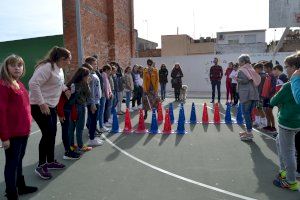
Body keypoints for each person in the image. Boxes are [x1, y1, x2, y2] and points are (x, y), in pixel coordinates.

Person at [29, 46, 71, 180]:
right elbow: (33, 83)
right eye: (68, 59)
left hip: (51, 106)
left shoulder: (59, 69)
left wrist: (65, 89)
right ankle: (41, 166)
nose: (69, 62)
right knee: (47, 134)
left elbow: (58, 82)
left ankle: (51, 161)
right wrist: (41, 103)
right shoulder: (47, 67)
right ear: (60, 59)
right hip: (39, 106)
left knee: (52, 134)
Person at [0, 55, 38, 200]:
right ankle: (11, 193)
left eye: (20, 65)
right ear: (7, 67)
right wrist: (4, 137)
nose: (17, 68)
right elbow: (1, 112)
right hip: (12, 134)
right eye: (13, 65)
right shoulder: (3, 85)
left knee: (19, 160)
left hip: (23, 131)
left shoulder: (19, 84)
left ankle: (20, 186)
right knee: (12, 164)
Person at [270, 53, 300, 191]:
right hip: (296, 122)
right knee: (279, 142)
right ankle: (285, 172)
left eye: (287, 67)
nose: (285, 69)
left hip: (287, 123)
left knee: (288, 152)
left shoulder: (289, 85)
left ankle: (291, 180)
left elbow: (273, 101)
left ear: (294, 67)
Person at [67, 65, 92, 152]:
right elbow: (89, 95)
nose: (88, 77)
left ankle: (71, 145)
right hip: (80, 107)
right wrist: (87, 84)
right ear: (84, 76)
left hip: (71, 108)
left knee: (71, 128)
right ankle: (80, 146)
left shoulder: (71, 83)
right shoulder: (83, 83)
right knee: (80, 128)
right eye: (88, 76)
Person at [236, 54, 261, 141]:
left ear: (243, 62)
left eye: (239, 62)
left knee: (246, 113)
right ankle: (248, 131)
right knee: (248, 113)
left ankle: (249, 133)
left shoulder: (242, 70)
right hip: (253, 94)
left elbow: (245, 81)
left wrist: (237, 79)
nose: (238, 63)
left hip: (247, 95)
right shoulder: (251, 68)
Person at [86, 60, 104, 146]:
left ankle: (92, 136)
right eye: (94, 64)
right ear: (89, 65)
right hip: (93, 102)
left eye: (96, 63)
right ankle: (91, 139)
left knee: (93, 120)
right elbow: (91, 91)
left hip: (96, 101)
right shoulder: (90, 76)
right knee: (93, 120)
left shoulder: (94, 74)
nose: (96, 65)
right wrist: (92, 103)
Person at [261, 62, 277, 132]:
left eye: (265, 68)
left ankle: (273, 126)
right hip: (265, 96)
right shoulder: (267, 75)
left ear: (269, 68)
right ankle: (268, 125)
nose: (264, 69)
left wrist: (269, 94)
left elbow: (273, 87)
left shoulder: (273, 76)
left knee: (269, 111)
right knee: (265, 111)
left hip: (270, 97)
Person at [253, 63, 267, 129]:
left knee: (260, 108)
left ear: (259, 69)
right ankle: (257, 121)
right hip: (257, 94)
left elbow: (261, 87)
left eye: (255, 69)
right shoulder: (258, 75)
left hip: (260, 95)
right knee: (257, 108)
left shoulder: (263, 76)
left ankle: (264, 123)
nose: (254, 70)